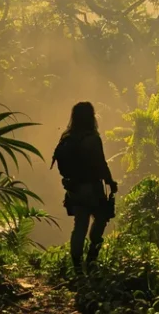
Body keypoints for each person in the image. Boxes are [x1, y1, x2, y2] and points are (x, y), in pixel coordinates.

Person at [52, 102, 117, 275]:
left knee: (80, 225)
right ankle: (92, 259)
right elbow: (101, 163)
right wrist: (110, 181)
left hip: (74, 188)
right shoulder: (92, 138)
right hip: (92, 188)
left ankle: (77, 267)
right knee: (101, 218)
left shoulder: (67, 138)